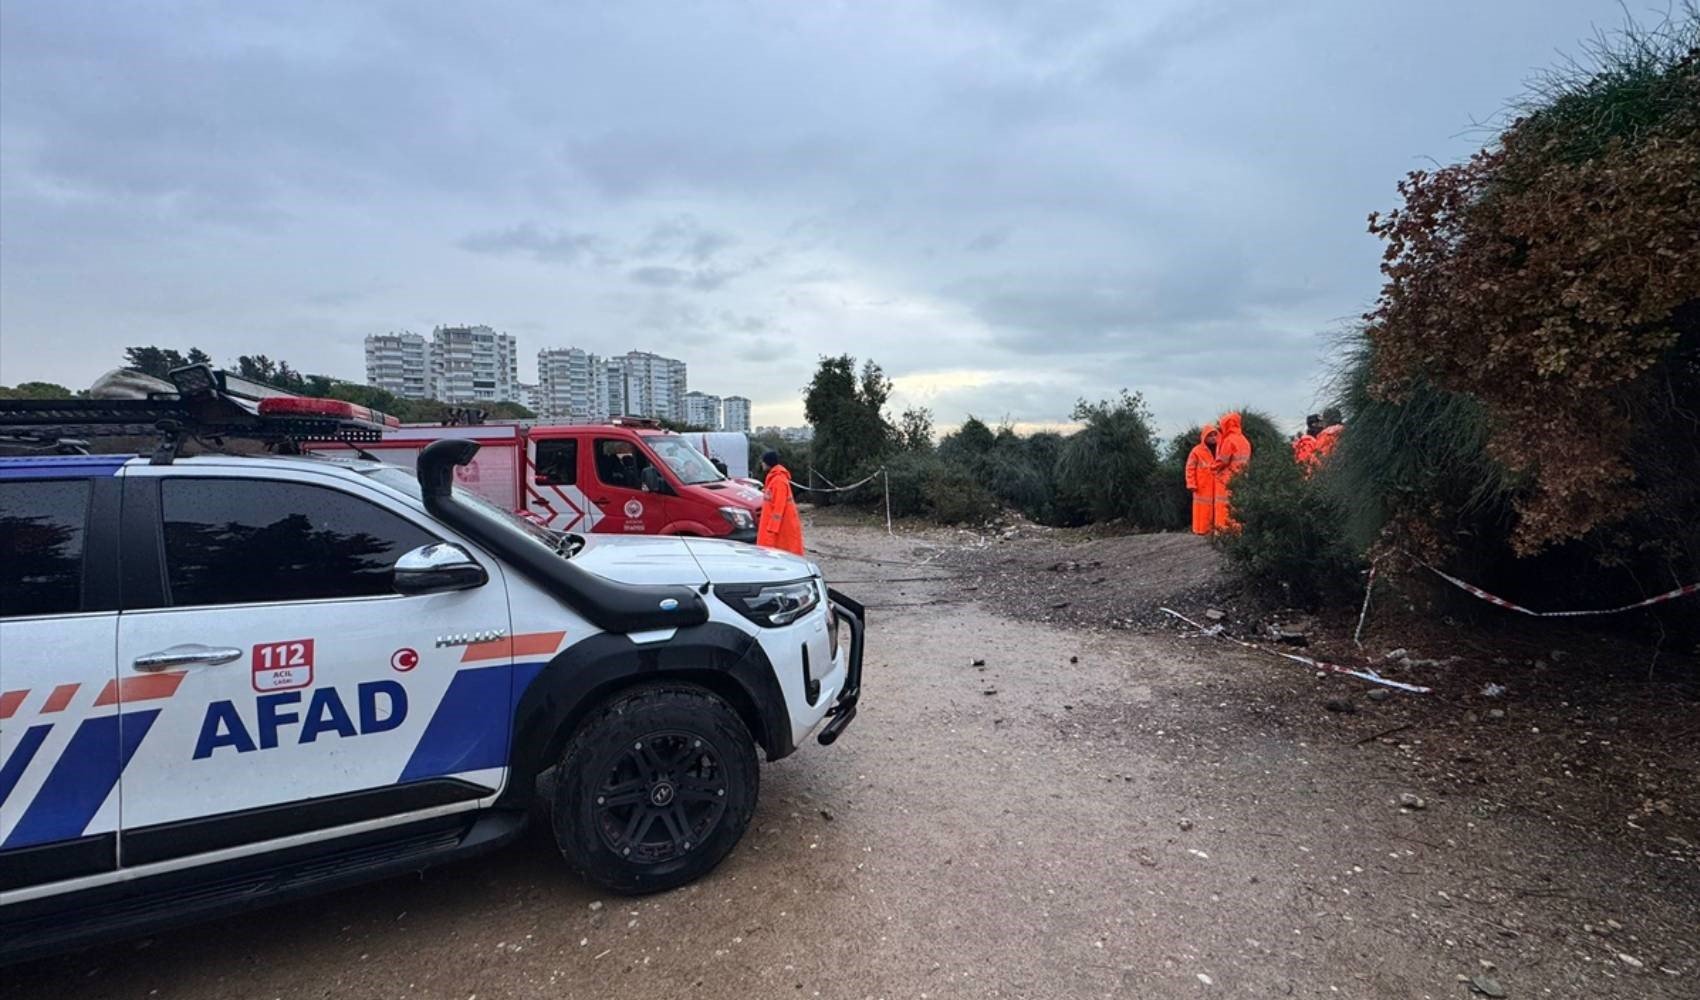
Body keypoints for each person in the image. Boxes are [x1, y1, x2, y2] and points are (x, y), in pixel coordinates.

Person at [756, 449, 804, 555]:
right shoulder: (775, 479)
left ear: (768, 462)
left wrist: (772, 528)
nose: (762, 464)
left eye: (763, 461)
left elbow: (779, 506)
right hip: (777, 524)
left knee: (782, 551)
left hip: (780, 526)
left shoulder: (778, 481)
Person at [1213, 411, 1252, 530]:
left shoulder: (1229, 440)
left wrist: (1211, 467)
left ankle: (1223, 531)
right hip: (1242, 477)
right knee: (1237, 506)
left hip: (1227, 479)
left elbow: (1222, 461)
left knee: (1223, 506)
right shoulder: (1245, 440)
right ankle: (1237, 530)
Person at [1184, 424, 1220, 535]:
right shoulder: (1196, 451)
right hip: (1201, 486)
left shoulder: (1221, 449)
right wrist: (1191, 483)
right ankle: (1201, 530)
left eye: (1215, 435)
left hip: (1217, 486)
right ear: (1204, 437)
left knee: (1216, 510)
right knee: (1201, 510)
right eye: (1210, 435)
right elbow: (1190, 468)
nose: (1213, 437)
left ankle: (1215, 531)